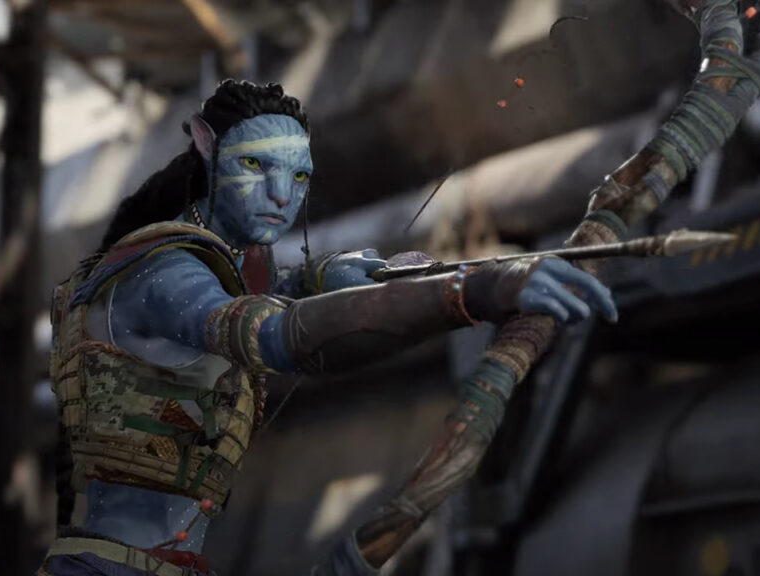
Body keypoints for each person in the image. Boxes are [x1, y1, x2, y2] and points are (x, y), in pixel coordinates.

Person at [39, 79, 617, 576]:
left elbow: (268, 297)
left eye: (299, 176)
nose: (280, 196)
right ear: (207, 148)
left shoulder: (210, 271)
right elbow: (275, 335)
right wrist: (473, 293)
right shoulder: (163, 271)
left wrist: (323, 275)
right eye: (255, 166)